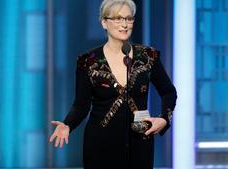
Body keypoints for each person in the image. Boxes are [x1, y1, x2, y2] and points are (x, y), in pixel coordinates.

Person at [49, 0, 177, 168]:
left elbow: (168, 92)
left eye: (129, 18)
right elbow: (81, 105)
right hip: (100, 144)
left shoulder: (147, 57)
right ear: (104, 22)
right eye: (117, 18)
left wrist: (164, 119)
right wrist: (68, 124)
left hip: (139, 143)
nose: (124, 24)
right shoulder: (89, 62)